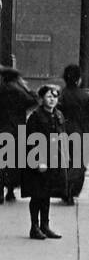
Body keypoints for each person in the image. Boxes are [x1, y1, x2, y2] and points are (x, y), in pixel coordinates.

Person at [23, 84, 68, 239]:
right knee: (37, 194)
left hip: (54, 159)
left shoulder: (58, 115)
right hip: (39, 160)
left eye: (55, 97)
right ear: (42, 99)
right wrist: (38, 161)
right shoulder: (35, 117)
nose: (52, 100)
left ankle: (45, 225)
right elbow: (31, 141)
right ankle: (34, 227)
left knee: (47, 193)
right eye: (49, 96)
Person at [58, 64, 89, 204]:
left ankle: (64, 191)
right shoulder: (85, 97)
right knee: (79, 165)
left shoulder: (61, 95)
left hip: (63, 133)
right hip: (81, 133)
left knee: (64, 163)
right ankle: (71, 192)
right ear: (78, 79)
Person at [1, 63, 37, 201]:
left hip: (2, 128)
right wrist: (26, 88)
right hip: (16, 130)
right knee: (14, 162)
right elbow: (33, 100)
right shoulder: (18, 90)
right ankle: (10, 191)